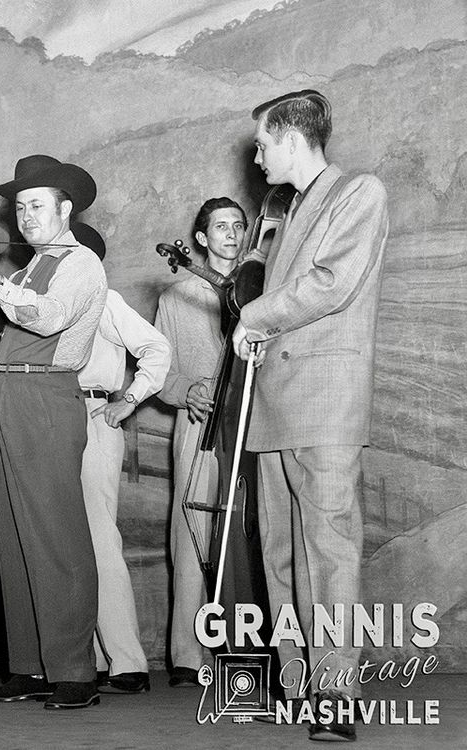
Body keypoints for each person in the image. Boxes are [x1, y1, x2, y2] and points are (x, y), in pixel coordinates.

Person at [231, 90, 389, 742]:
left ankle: (336, 694)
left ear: (292, 138)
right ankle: (297, 686)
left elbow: (331, 283)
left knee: (328, 551)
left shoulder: (359, 191)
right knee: (281, 555)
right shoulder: (287, 211)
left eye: (263, 143)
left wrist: (255, 314)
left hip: (324, 400)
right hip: (278, 403)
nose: (258, 155)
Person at [0, 154, 107, 710]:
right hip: (6, 390)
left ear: (66, 208)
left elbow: (50, 318)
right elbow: (10, 325)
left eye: (37, 205)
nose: (26, 216)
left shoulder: (81, 263)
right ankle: (31, 666)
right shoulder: (29, 266)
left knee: (56, 533)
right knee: (12, 534)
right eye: (21, 207)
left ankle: (75, 670)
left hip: (46, 396)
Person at [72, 222, 171, 695]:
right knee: (69, 542)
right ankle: (87, 659)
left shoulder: (104, 299)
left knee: (97, 535)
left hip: (94, 415)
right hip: (50, 418)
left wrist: (128, 398)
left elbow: (155, 347)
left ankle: (127, 662)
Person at [154, 198, 248, 688]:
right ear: (202, 239)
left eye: (238, 225)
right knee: (190, 533)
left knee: (245, 535)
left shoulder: (260, 293)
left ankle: (244, 647)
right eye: (220, 227)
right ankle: (188, 656)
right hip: (199, 424)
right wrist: (184, 389)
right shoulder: (177, 296)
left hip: (250, 425)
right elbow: (159, 368)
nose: (230, 234)